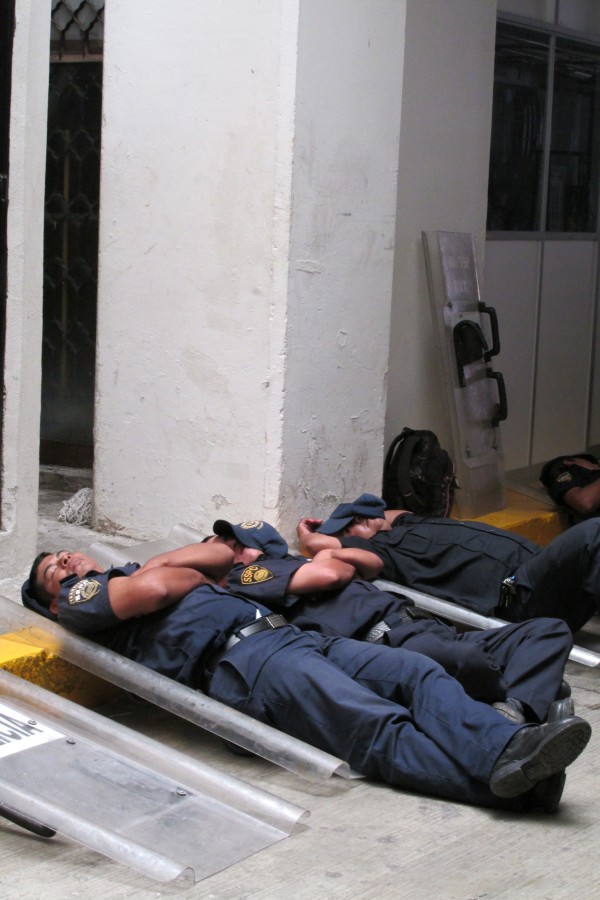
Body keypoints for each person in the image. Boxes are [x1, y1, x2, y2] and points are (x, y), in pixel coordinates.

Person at [21, 542, 591, 813]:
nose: (66, 563)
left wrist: (174, 570)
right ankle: (505, 786)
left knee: (414, 672)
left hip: (286, 638)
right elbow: (152, 590)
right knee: (374, 725)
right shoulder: (79, 601)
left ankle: (507, 747)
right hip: (245, 662)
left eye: (64, 555)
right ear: (51, 600)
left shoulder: (129, 571)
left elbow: (213, 561)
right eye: (53, 570)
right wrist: (173, 574)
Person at [213, 519, 573, 725]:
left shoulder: (286, 563)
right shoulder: (250, 574)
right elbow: (329, 577)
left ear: (255, 547)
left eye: (230, 543)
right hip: (393, 643)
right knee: (470, 664)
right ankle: (529, 694)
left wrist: (323, 553)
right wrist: (328, 561)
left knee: (550, 629)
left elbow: (369, 564)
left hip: (432, 630)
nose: (222, 550)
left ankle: (517, 708)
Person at [296, 493, 600, 634]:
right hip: (521, 594)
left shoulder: (407, 525)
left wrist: (366, 515)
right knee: (593, 533)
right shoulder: (382, 550)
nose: (361, 518)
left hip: (544, 577)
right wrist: (309, 538)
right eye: (351, 524)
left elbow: (389, 513)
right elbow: (356, 559)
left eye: (362, 513)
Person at [540, 454, 600, 523]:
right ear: (568, 462)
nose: (595, 465)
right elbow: (584, 501)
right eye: (589, 461)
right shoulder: (571, 476)